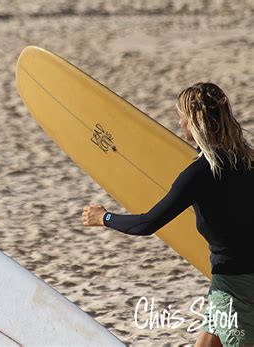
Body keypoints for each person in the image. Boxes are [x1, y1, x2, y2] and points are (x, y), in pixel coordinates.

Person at [82, 82, 253, 347]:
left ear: (195, 121)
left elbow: (148, 223)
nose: (179, 121)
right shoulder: (248, 160)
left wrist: (105, 217)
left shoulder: (201, 173)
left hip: (234, 288)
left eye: (181, 115)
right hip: (233, 283)